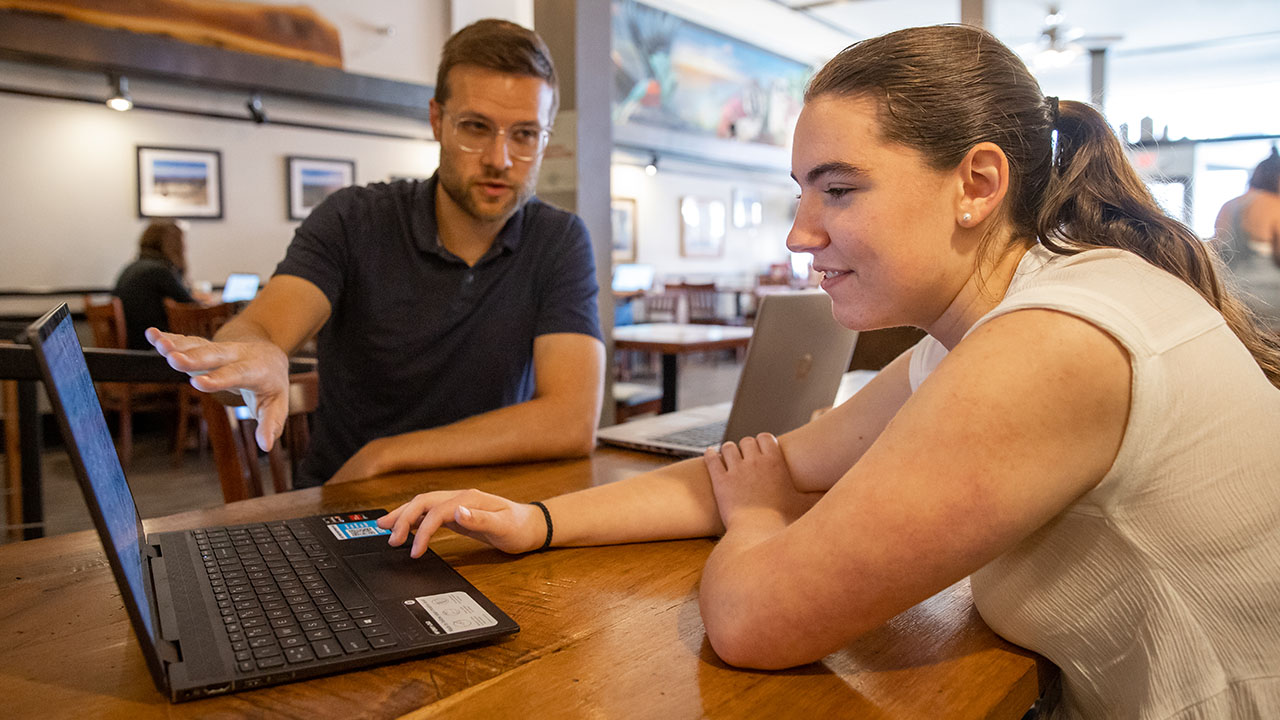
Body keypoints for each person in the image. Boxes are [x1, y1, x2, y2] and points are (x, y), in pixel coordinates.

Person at [376, 24, 1280, 720]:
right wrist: (534, 521)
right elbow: (787, 460)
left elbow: (756, 619)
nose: (800, 232)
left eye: (838, 191)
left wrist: (759, 515)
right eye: (802, 192)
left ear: (977, 183)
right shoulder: (985, 327)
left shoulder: (1047, 346)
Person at [146, 19, 605, 488]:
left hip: (490, 510)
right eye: (475, 127)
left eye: (525, 135)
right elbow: (261, 327)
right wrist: (257, 353)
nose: (500, 158)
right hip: (351, 503)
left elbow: (571, 419)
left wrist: (389, 454)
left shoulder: (558, 240)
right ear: (436, 121)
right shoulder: (355, 219)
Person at [1214, 147, 1280, 328]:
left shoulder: (1228, 206)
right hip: (1269, 302)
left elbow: (1218, 253)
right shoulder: (1275, 205)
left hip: (1232, 300)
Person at [113, 219, 197, 350]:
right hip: (151, 348)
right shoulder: (159, 271)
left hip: (133, 346)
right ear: (174, 244)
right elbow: (191, 306)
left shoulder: (131, 267)